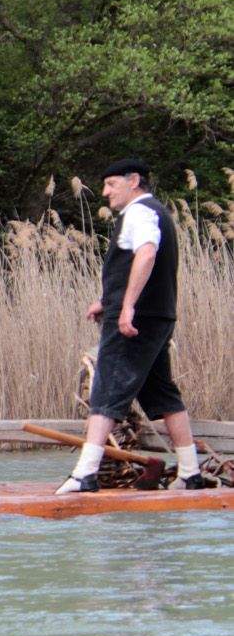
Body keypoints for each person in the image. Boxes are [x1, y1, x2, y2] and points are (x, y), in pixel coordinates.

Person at [57, 158, 213, 493]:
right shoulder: (154, 211)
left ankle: (85, 474)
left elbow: (146, 254)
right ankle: (189, 473)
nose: (105, 192)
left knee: (108, 388)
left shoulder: (140, 212)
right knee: (162, 393)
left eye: (111, 184)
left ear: (134, 181)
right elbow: (138, 264)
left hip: (136, 319)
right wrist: (108, 299)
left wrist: (125, 308)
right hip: (156, 316)